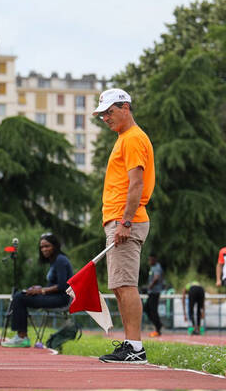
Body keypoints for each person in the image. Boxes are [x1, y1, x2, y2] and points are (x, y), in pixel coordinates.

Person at [93, 89, 155, 364]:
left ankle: (136, 348)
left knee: (126, 285)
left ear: (125, 107)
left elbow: (137, 184)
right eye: (103, 114)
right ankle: (131, 344)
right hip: (119, 219)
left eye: (109, 111)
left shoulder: (132, 139)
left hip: (125, 220)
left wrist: (125, 222)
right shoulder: (125, 138)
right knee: (119, 285)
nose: (105, 118)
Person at [1, 233, 73, 348]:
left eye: (47, 246)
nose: (44, 249)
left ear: (55, 246)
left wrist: (41, 291)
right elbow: (53, 285)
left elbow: (62, 286)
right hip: (52, 297)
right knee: (21, 295)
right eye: (42, 247)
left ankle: (22, 337)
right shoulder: (54, 261)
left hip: (61, 299)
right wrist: (39, 288)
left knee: (19, 297)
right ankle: (21, 336)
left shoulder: (61, 260)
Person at [145, 255, 164, 337]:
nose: (149, 261)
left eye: (150, 260)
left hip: (155, 292)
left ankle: (158, 328)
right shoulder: (153, 267)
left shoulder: (157, 267)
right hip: (152, 292)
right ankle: (158, 324)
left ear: (154, 259)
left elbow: (156, 278)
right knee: (147, 308)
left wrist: (150, 286)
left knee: (153, 310)